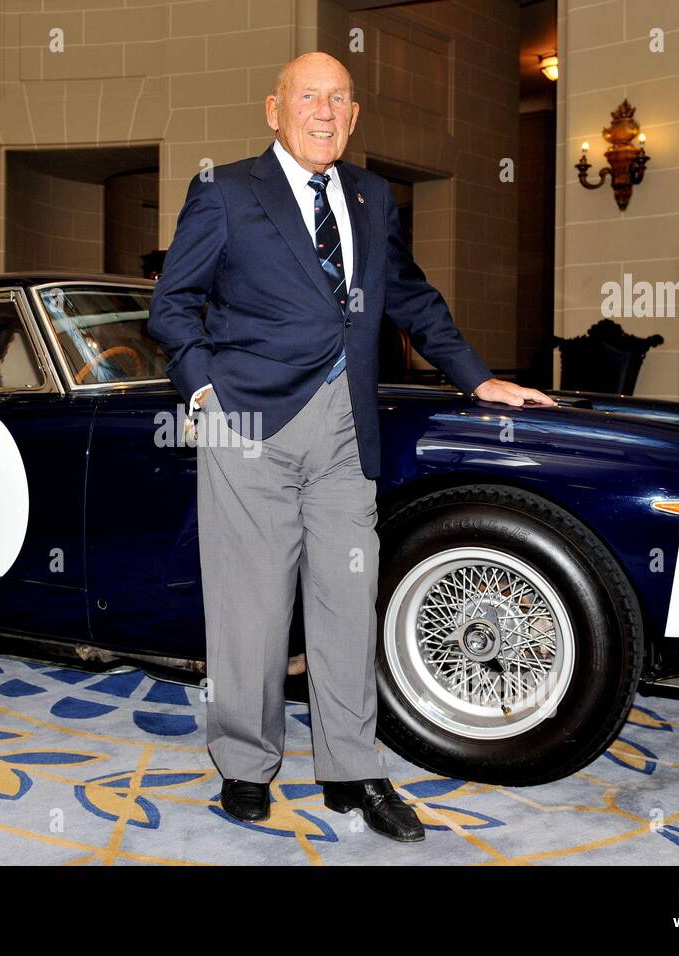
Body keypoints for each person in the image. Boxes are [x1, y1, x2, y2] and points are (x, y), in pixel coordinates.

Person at [148, 52, 553, 843]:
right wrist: (205, 392)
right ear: (275, 108)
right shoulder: (223, 190)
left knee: (346, 602)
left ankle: (352, 771)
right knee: (251, 607)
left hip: (345, 430)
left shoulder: (372, 196)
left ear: (355, 115)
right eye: (309, 96)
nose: (324, 111)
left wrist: (475, 379)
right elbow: (173, 304)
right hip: (251, 425)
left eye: (339, 98)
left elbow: (408, 295)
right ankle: (244, 764)